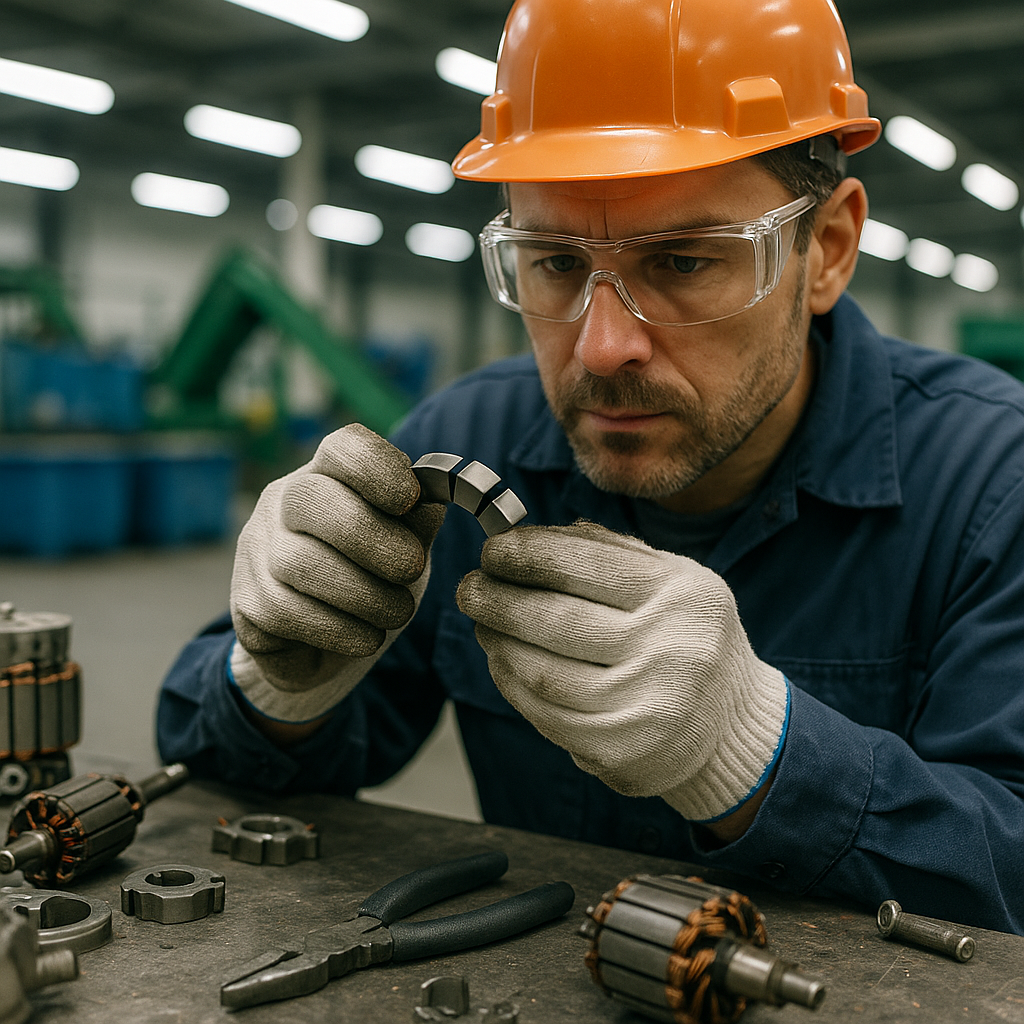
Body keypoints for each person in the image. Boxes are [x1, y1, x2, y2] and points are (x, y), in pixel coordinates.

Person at [158, 0, 1024, 934]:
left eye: (686, 261)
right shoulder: (468, 437)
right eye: (555, 264)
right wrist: (278, 687)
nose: (603, 347)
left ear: (828, 249)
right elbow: (209, 774)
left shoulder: (991, 484)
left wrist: (759, 754)